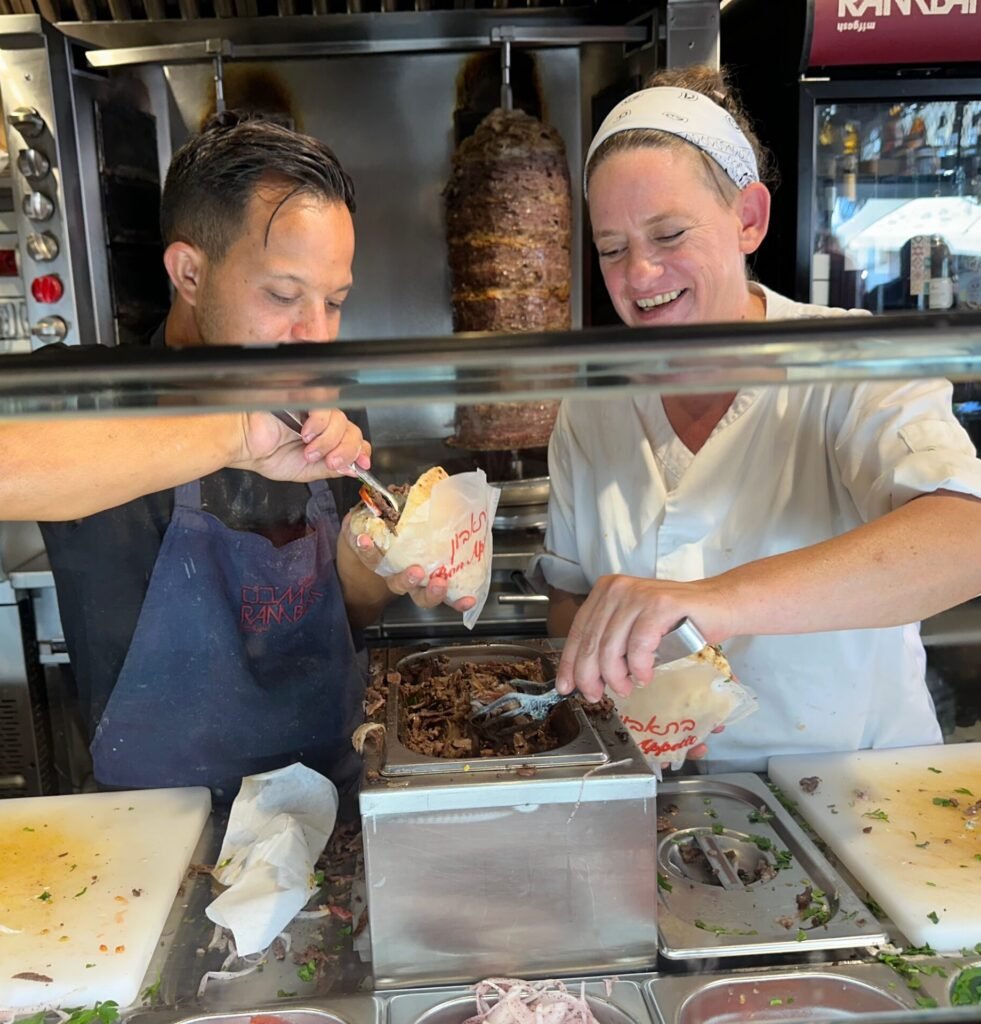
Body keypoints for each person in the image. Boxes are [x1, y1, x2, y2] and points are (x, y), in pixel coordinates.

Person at [2, 113, 462, 800]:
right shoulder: (87, 389)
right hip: (157, 831)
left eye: (333, 302)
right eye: (282, 295)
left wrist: (387, 559)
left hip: (325, 804)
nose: (313, 337)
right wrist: (232, 435)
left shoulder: (326, 405)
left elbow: (347, 613)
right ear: (189, 271)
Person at [536, 67, 981, 772]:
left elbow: (964, 538)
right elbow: (570, 600)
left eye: (668, 233)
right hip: (662, 794)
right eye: (612, 249)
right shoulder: (593, 403)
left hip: (857, 798)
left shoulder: (847, 360)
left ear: (747, 218)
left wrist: (712, 603)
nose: (640, 275)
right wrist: (627, 688)